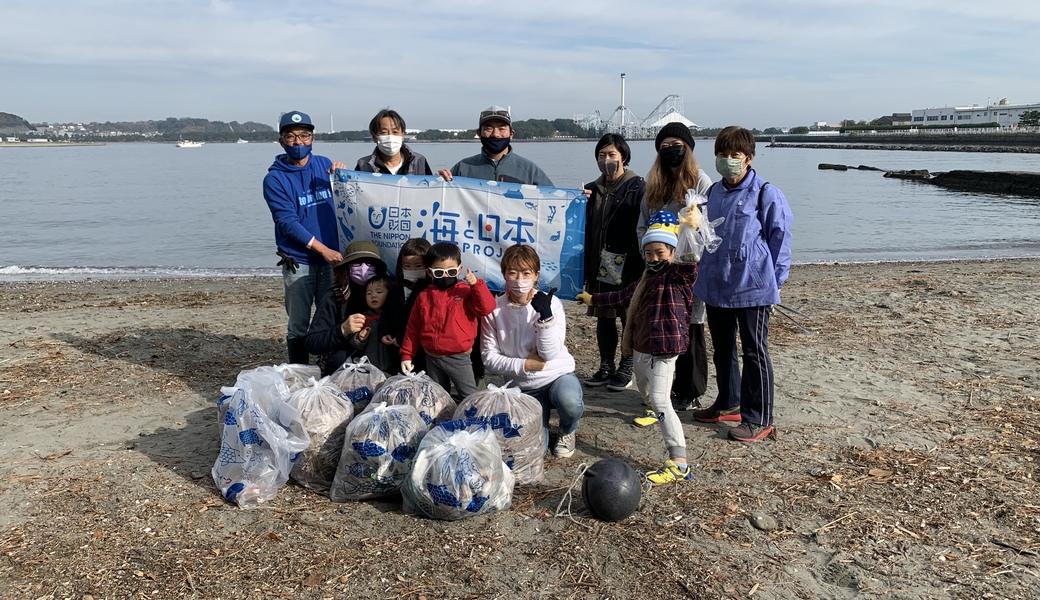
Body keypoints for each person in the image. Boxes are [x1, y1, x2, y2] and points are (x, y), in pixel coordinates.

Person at [577, 211, 699, 484]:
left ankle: (679, 462)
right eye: (649, 253)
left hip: (664, 349)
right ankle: (652, 408)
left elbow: (690, 261)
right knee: (644, 386)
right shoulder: (646, 278)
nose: (654, 258)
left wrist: (690, 232)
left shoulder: (678, 276)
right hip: (642, 346)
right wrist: (592, 298)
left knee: (660, 399)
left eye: (660, 252)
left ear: (672, 252)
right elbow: (622, 295)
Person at [692, 125, 793, 443]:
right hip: (717, 285)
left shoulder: (765, 193)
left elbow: (781, 237)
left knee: (754, 351)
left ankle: (759, 417)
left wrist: (774, 281)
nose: (727, 161)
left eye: (734, 155)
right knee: (722, 349)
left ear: (749, 158)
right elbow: (707, 235)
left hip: (754, 287)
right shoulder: (714, 192)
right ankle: (728, 403)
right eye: (721, 155)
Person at [637, 122, 713, 413]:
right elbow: (642, 222)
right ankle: (662, 389)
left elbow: (708, 229)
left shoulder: (701, 182)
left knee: (691, 324)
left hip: (688, 268)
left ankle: (690, 390)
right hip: (656, 265)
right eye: (664, 146)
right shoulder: (654, 182)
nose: (671, 151)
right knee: (664, 323)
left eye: (676, 145)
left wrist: (694, 227)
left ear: (689, 148)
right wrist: (649, 252)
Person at [481, 244, 584, 458]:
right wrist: (523, 365)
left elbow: (549, 355)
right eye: (513, 272)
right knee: (535, 450)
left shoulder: (551, 303)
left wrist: (545, 318)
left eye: (526, 273)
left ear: (536, 275)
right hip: (524, 386)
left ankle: (567, 429)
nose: (520, 279)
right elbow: (489, 357)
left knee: (570, 402)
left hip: (557, 375)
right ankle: (542, 423)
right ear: (504, 274)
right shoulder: (493, 310)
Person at [263, 110, 347, 365]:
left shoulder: (324, 165)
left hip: (332, 261)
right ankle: (298, 371)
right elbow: (288, 223)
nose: (298, 143)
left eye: (304, 136)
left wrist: (343, 175)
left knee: (330, 317)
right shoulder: (274, 179)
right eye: (291, 137)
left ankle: (328, 367)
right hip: (300, 261)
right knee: (298, 323)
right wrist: (323, 250)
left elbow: (348, 201)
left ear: (312, 138)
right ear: (281, 141)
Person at [582, 133, 646, 393]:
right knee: (603, 316)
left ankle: (626, 366)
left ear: (624, 157)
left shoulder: (638, 187)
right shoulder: (591, 189)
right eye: (601, 155)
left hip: (628, 264)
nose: (606, 160)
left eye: (611, 155)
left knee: (627, 317)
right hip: (599, 263)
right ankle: (606, 365)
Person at [399, 242, 495, 398]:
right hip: (431, 356)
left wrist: (477, 285)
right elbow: (413, 328)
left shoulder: (465, 291)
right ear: (429, 273)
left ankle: (475, 420)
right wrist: (407, 354)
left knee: (469, 395)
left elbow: (486, 308)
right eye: (439, 272)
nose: (445, 276)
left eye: (450, 271)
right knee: (437, 396)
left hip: (459, 357)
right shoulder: (423, 297)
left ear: (459, 270)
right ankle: (442, 420)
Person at [305, 241, 389, 376]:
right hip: (346, 363)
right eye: (357, 264)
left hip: (383, 356)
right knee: (339, 358)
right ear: (347, 268)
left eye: (369, 263)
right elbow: (312, 343)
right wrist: (342, 330)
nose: (363, 268)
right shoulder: (335, 296)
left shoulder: (391, 293)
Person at [436, 105, 553, 185]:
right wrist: (436, 182)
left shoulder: (529, 170)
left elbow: (554, 202)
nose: (495, 134)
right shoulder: (463, 168)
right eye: (488, 128)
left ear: (511, 134)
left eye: (502, 129)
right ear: (479, 133)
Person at [379, 237, 432, 375]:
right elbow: (386, 314)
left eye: (418, 266)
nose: (412, 270)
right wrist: (384, 332)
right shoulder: (396, 287)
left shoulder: (429, 290)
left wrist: (402, 338)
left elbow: (423, 322)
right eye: (407, 266)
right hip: (394, 349)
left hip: (419, 351)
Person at [342, 274, 397, 372]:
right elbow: (353, 343)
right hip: (370, 368)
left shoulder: (395, 317)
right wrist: (359, 339)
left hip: (394, 367)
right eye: (369, 293)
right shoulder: (363, 319)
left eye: (379, 292)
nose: (373, 295)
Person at [355, 108, 433, 176]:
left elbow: (431, 189)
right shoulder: (363, 166)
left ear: (402, 135)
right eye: (384, 132)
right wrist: (342, 173)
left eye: (395, 132)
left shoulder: (419, 162)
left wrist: (442, 178)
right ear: (374, 137)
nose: (390, 137)